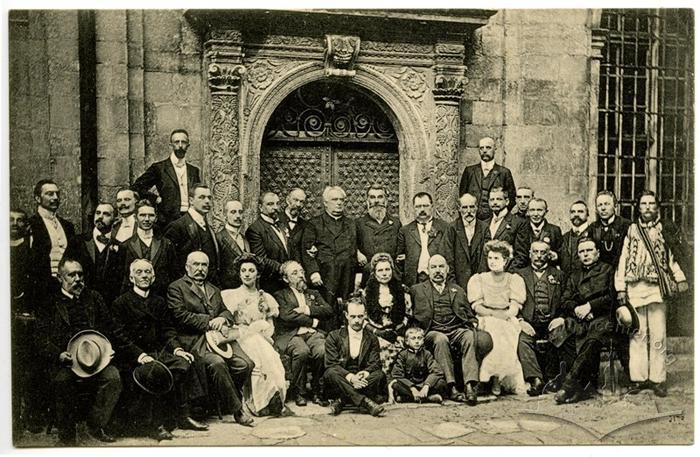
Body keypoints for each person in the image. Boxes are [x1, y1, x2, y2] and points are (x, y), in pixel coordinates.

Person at [112, 259, 208, 440]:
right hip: (133, 356)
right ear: (131, 277)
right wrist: (139, 355)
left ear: (154, 277)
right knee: (154, 372)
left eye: (147, 272)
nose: (144, 276)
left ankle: (183, 415)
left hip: (159, 352)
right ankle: (155, 424)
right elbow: (120, 336)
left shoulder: (159, 302)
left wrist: (178, 349)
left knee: (184, 362)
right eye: (139, 272)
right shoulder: (121, 303)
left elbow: (167, 331)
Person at [35, 258, 127, 445]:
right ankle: (67, 437)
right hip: (65, 360)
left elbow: (111, 328)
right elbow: (40, 338)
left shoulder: (94, 298)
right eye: (72, 275)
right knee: (63, 381)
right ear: (60, 278)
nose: (78, 279)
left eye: (80, 274)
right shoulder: (49, 303)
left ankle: (95, 424)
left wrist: (109, 348)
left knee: (113, 378)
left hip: (95, 359)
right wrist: (58, 354)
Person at [615, 191, 689, 397]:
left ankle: (658, 379)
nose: (647, 207)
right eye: (643, 204)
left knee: (658, 334)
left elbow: (671, 258)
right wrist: (620, 287)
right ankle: (638, 379)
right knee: (638, 334)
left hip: (657, 289)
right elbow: (623, 258)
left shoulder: (664, 230)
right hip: (635, 289)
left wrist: (680, 278)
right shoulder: (631, 230)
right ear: (638, 207)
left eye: (651, 204)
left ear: (657, 207)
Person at [166, 251, 254, 426]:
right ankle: (238, 411)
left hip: (219, 340)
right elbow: (180, 315)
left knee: (246, 364)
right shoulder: (176, 287)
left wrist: (223, 318)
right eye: (196, 264)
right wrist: (210, 321)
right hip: (194, 341)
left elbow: (226, 312)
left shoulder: (213, 288)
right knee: (217, 364)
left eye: (204, 265)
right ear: (187, 267)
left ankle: (221, 400)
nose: (200, 269)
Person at [410, 254, 492, 405]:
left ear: (447, 270)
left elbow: (468, 314)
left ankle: (469, 386)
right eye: (433, 267)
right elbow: (410, 315)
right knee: (441, 339)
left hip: (455, 329)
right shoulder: (417, 290)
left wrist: (473, 323)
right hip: (432, 331)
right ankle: (452, 387)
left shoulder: (457, 289)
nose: (437, 270)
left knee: (468, 335)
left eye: (441, 267)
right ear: (427, 270)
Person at [220, 255, 289, 416]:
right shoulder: (231, 295)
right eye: (243, 270)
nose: (247, 274)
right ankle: (257, 403)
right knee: (257, 360)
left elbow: (270, 327)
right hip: (239, 337)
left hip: (261, 338)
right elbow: (227, 323)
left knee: (271, 358)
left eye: (251, 271)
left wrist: (263, 330)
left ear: (258, 274)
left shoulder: (265, 297)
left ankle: (272, 399)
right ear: (239, 274)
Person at [552, 238, 618, 404]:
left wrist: (590, 306)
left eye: (589, 250)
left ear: (598, 252)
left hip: (603, 317)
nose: (585, 254)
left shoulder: (608, 270)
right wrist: (578, 309)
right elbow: (565, 299)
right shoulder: (574, 274)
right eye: (581, 251)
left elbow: (612, 297)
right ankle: (582, 388)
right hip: (580, 317)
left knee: (592, 340)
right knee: (562, 336)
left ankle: (569, 385)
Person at [513, 241, 576, 396]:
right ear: (530, 254)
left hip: (551, 322)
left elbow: (566, 300)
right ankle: (536, 380)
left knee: (560, 336)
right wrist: (520, 321)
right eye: (536, 252)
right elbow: (512, 301)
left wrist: (561, 317)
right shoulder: (519, 275)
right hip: (529, 322)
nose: (539, 256)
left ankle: (554, 379)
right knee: (522, 340)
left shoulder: (559, 275)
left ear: (549, 255)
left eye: (543, 252)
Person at [468, 240, 527, 396]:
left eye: (497, 258)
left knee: (506, 330)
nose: (492, 262)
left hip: (507, 317)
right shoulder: (479, 279)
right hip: (485, 317)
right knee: (493, 330)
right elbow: (477, 306)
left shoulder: (514, 279)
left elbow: (514, 307)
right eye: (490, 258)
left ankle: (499, 378)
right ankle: (489, 378)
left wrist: (504, 315)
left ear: (505, 261)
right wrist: (493, 314)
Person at [273, 260, 334, 407]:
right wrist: (312, 322)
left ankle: (316, 391)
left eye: (301, 271)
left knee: (321, 350)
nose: (300, 275)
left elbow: (328, 310)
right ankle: (299, 392)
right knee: (302, 352)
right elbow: (286, 316)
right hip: (291, 334)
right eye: (295, 273)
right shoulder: (280, 295)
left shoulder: (313, 293)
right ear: (286, 279)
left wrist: (307, 309)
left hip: (312, 334)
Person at [301, 186, 358, 327]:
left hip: (347, 274)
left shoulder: (351, 224)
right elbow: (306, 250)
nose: (339, 203)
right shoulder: (314, 223)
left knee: (346, 308)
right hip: (325, 275)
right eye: (334, 199)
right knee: (327, 310)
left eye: (341, 200)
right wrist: (313, 272)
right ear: (325, 203)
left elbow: (356, 248)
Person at [323, 296, 386, 417]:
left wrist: (364, 374)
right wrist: (351, 378)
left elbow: (375, 363)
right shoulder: (334, 336)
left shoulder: (372, 338)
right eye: (353, 316)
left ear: (365, 315)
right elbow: (331, 363)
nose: (357, 320)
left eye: (360, 316)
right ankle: (365, 402)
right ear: (346, 315)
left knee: (379, 374)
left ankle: (342, 400)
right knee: (330, 373)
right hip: (342, 377)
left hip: (362, 378)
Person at [132, 129, 202, 227]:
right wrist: (156, 199)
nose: (180, 145)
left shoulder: (194, 170)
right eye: (177, 142)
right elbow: (137, 187)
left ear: (188, 146)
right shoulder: (159, 168)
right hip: (167, 221)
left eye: (184, 142)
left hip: (190, 220)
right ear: (171, 145)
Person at [27, 179, 80, 304]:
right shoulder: (32, 224)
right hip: (40, 287)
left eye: (57, 194)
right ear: (37, 198)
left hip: (65, 287)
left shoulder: (67, 226)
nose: (55, 197)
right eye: (50, 194)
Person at [363, 253, 409, 374]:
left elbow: (408, 314)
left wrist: (398, 331)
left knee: (404, 348)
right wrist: (378, 332)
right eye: (380, 270)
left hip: (397, 330)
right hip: (375, 332)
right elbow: (363, 319)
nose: (384, 273)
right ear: (374, 272)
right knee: (381, 348)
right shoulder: (365, 293)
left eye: (387, 269)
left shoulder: (402, 289)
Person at [164, 184, 220, 284]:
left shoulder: (209, 228)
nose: (207, 201)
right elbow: (170, 263)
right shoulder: (178, 226)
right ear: (191, 201)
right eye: (201, 197)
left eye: (209, 198)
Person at [121, 199, 178, 298]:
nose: (147, 219)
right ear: (135, 217)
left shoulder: (166, 244)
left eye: (151, 215)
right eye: (142, 215)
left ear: (156, 218)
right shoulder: (125, 246)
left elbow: (174, 275)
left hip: (161, 299)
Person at [396, 192, 455, 287]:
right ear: (413, 208)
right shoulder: (405, 231)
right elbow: (399, 260)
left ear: (432, 206)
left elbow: (450, 257)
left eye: (425, 206)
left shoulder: (444, 228)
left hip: (439, 278)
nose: (422, 209)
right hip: (414, 280)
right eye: (418, 206)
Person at [458, 137, 517, 221]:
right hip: (473, 220)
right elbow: (462, 197)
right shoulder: (469, 171)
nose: (484, 150)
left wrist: (500, 217)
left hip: (495, 220)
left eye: (488, 147)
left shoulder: (504, 172)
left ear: (495, 149)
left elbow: (511, 198)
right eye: (481, 148)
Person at [78, 203, 124, 305]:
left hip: (109, 303)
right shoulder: (78, 242)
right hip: (83, 301)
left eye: (106, 214)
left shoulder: (120, 247)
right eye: (98, 213)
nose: (100, 217)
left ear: (115, 219)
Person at [245, 192, 290, 294]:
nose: (275, 208)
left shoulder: (282, 225)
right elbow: (259, 258)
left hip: (288, 281)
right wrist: (281, 268)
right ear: (260, 207)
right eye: (270, 204)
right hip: (271, 283)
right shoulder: (255, 229)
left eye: (277, 204)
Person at [389, 325, 447, 404]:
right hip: (409, 386)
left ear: (423, 341)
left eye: (419, 338)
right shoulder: (402, 355)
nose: (417, 341)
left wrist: (426, 386)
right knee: (396, 385)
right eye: (413, 338)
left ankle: (410, 398)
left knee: (441, 383)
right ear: (407, 341)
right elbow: (397, 374)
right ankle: (427, 398)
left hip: (424, 385)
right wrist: (412, 388)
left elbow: (437, 371)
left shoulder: (427, 354)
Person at [356, 184, 401, 282]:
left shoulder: (396, 223)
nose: (376, 201)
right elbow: (351, 245)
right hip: (368, 272)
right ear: (367, 201)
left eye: (380, 197)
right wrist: (357, 253)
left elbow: (402, 247)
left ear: (386, 200)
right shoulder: (359, 224)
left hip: (391, 273)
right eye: (372, 197)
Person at [478, 187, 528, 271]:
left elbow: (521, 255)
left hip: (506, 273)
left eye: (499, 199)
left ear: (507, 201)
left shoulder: (518, 223)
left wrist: (505, 273)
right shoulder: (484, 223)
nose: (495, 202)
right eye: (492, 200)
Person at [452, 193, 489, 289]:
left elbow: (486, 257)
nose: (468, 211)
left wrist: (481, 281)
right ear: (459, 209)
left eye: (472, 207)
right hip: (458, 283)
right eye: (464, 207)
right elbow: (448, 258)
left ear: (476, 208)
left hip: (480, 282)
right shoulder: (452, 228)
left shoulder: (484, 228)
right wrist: (454, 285)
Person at [589, 190, 631, 267]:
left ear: (615, 206)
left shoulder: (626, 225)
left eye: (607, 204)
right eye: (599, 205)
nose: (603, 208)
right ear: (596, 209)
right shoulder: (593, 227)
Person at [520, 198, 563, 268]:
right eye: (532, 210)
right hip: (527, 272)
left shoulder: (554, 230)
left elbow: (561, 253)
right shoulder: (522, 230)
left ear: (546, 212)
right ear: (527, 211)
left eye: (539, 210)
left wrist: (556, 256)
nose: (536, 214)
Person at [560, 200, 591, 280]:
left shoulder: (594, 234)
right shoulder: (564, 237)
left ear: (587, 214)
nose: (576, 214)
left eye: (580, 211)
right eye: (573, 212)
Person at [278, 188, 308, 262]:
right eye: (295, 200)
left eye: (301, 202)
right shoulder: (276, 220)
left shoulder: (305, 225)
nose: (298, 204)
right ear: (287, 200)